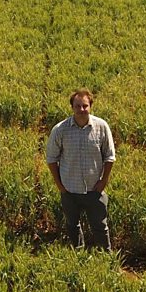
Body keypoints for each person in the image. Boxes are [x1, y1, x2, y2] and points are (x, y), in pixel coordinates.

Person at [45, 88, 116, 251]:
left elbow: (109, 156)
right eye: (78, 106)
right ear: (72, 107)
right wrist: (60, 185)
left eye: (85, 106)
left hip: (94, 189)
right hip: (69, 190)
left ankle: (105, 256)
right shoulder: (60, 130)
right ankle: (78, 255)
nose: (81, 109)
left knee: (100, 226)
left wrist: (103, 181)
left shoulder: (101, 127)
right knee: (72, 225)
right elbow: (51, 159)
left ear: (90, 106)